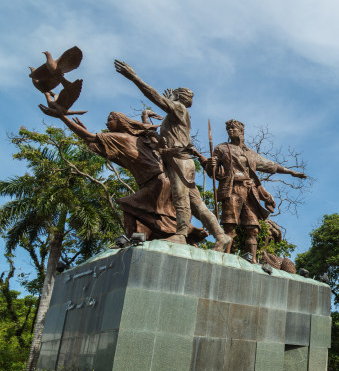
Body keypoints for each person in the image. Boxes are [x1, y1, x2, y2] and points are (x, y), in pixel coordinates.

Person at [38, 108, 207, 243]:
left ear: (119, 121)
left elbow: (89, 136)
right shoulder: (137, 139)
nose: (107, 122)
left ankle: (134, 239)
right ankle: (180, 232)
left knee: (129, 205)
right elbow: (94, 143)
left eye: (110, 119)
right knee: (151, 216)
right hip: (160, 182)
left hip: (157, 182)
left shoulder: (121, 138)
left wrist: (62, 117)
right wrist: (145, 116)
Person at [114, 59, 231, 251]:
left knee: (180, 197)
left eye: (174, 94)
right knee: (196, 204)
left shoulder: (179, 109)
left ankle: (181, 234)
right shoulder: (176, 116)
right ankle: (220, 236)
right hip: (177, 160)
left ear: (178, 97)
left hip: (180, 161)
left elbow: (156, 98)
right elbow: (168, 137)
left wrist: (134, 77)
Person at [204, 119, 306, 260]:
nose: (230, 131)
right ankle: (225, 256)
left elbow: (271, 165)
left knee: (253, 228)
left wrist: (291, 172)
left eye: (233, 128)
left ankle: (252, 259)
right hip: (232, 189)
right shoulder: (222, 148)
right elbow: (212, 173)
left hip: (250, 192)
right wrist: (211, 165)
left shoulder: (251, 153)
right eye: (228, 129)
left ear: (241, 131)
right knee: (229, 226)